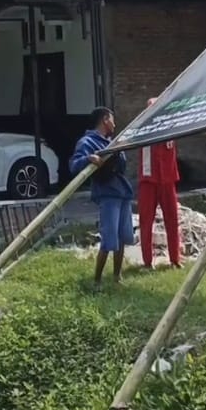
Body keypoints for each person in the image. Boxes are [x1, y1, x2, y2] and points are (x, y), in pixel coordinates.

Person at [69, 107, 135, 289]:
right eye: (112, 119)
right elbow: (74, 165)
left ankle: (117, 276)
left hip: (122, 192)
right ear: (105, 119)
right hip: (107, 194)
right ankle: (97, 281)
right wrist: (88, 159)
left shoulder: (112, 142)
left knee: (123, 236)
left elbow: (121, 166)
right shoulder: (87, 142)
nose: (114, 123)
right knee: (109, 238)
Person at [138, 97, 183, 270]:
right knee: (145, 221)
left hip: (167, 179)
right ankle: (147, 261)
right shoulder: (142, 128)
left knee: (172, 219)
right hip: (148, 180)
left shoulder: (171, 126)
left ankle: (175, 259)